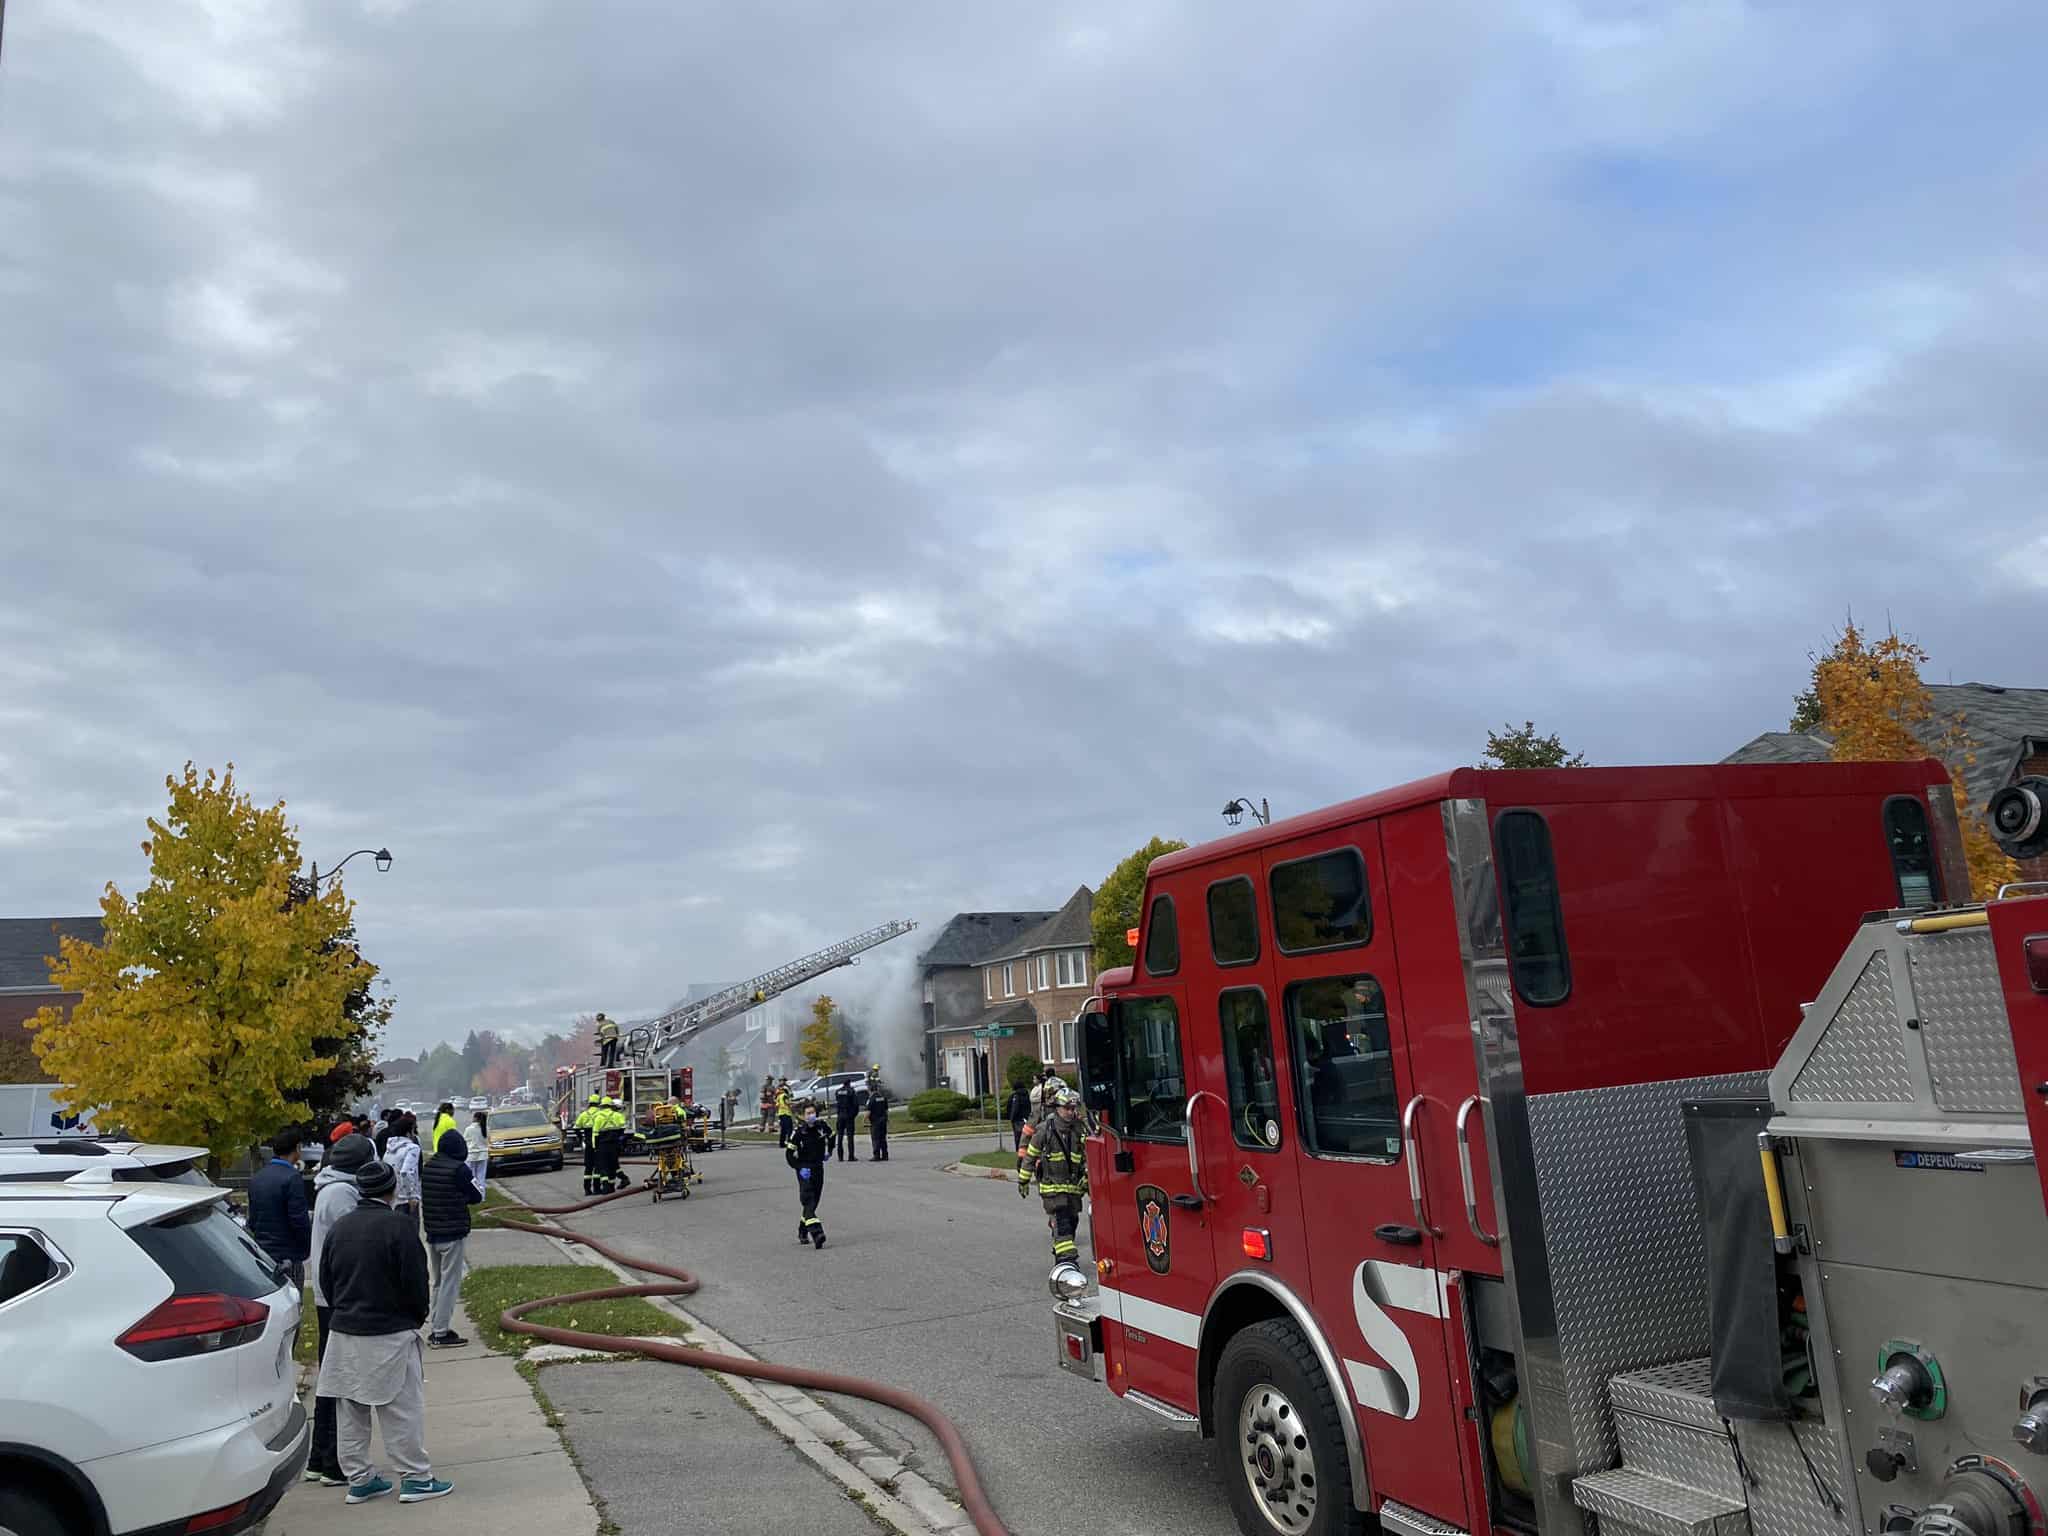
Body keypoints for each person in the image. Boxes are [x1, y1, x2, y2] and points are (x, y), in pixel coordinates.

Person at [316, 1159, 452, 1505]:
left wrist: (343, 1311)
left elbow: (326, 1280)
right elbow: (416, 1282)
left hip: (344, 1330)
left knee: (351, 1411)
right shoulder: (400, 1227)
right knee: (400, 1409)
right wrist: (417, 1317)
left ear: (360, 1190)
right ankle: (416, 1477)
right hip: (389, 1331)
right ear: (392, 1190)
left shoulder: (340, 1228)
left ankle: (359, 1479)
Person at [304, 1132, 374, 1487]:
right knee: (343, 1382)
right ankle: (334, 1463)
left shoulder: (330, 1189)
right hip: (338, 1299)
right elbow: (355, 1245)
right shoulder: (343, 1195)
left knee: (331, 1381)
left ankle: (319, 1458)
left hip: (328, 1297)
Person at [421, 1128, 481, 1349]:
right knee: (450, 1284)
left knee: (437, 1282)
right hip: (453, 1233)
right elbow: (477, 1194)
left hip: (433, 1233)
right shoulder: (460, 1170)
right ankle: (441, 1331)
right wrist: (462, 1197)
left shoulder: (428, 1167)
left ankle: (435, 1324)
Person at [1019, 1087, 1089, 1268]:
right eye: (1067, 1108)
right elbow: (1030, 1156)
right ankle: (1067, 1264)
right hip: (1052, 1189)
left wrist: (1087, 1176)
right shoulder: (1044, 1130)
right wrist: (1023, 1180)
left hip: (1073, 1188)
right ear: (1057, 1108)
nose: (1071, 1112)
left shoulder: (1080, 1129)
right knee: (1063, 1223)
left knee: (1071, 1223)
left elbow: (1088, 1155)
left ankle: (1061, 1252)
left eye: (1074, 1108)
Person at [248, 1130, 312, 1289]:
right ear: (297, 1148)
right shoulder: (292, 1177)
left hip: (264, 1253)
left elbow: (253, 1219)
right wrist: (305, 1249)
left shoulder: (258, 1177)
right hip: (288, 1255)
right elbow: (299, 1219)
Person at [785, 1102, 831, 1249]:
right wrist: (799, 1168)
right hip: (805, 1169)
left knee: (814, 1201)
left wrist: (829, 1151)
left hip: (818, 1167)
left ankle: (802, 1230)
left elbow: (832, 1136)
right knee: (808, 1199)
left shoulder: (821, 1126)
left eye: (813, 1112)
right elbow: (789, 1155)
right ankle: (817, 1233)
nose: (811, 1115)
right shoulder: (798, 1132)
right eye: (808, 1113)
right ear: (802, 1116)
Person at [387, 1115, 422, 1223]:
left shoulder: (389, 1147)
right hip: (406, 1200)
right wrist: (411, 1196)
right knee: (410, 1234)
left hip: (392, 1197)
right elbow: (406, 1172)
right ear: (408, 1132)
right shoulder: (412, 1148)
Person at [575, 1091, 603, 1195]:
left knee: (588, 1167)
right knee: (597, 1166)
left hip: (588, 1143)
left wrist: (581, 1138)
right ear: (598, 1103)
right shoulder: (600, 1114)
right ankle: (597, 1188)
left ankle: (587, 1189)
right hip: (598, 1142)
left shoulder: (583, 1115)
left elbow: (576, 1128)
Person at [463, 1111, 489, 1199]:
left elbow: (464, 1140)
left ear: (475, 1118)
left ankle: (473, 1196)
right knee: (481, 1176)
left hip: (471, 1154)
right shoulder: (486, 1128)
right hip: (483, 1154)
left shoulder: (469, 1129)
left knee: (472, 1177)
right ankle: (482, 1196)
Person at [833, 1078, 860, 1162]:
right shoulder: (851, 1091)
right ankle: (851, 1156)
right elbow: (856, 1105)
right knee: (850, 1137)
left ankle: (840, 1157)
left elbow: (837, 1103)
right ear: (849, 1083)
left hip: (840, 1116)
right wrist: (853, 1115)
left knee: (840, 1136)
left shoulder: (837, 1091)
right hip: (849, 1116)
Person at [866, 1070, 890, 1162]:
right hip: (883, 1120)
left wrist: (864, 1120)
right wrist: (887, 1119)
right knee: (883, 1138)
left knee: (875, 1139)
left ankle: (876, 1156)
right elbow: (886, 1110)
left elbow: (868, 1112)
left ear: (871, 1090)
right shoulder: (883, 1098)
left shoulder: (871, 1099)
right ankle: (885, 1155)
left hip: (875, 1122)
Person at [1004, 1082, 1031, 1152]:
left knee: (1018, 1136)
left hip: (1018, 1119)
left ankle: (1019, 1151)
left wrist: (1011, 1118)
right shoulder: (1028, 1094)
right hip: (1027, 1118)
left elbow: (1014, 1108)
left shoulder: (1015, 1096)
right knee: (1027, 1135)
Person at [775, 1079, 794, 1148]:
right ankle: (789, 1142)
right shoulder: (785, 1096)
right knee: (789, 1129)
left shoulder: (779, 1096)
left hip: (781, 1114)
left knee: (783, 1130)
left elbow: (777, 1105)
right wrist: (796, 1103)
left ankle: (782, 1143)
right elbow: (788, 1103)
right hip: (786, 1114)